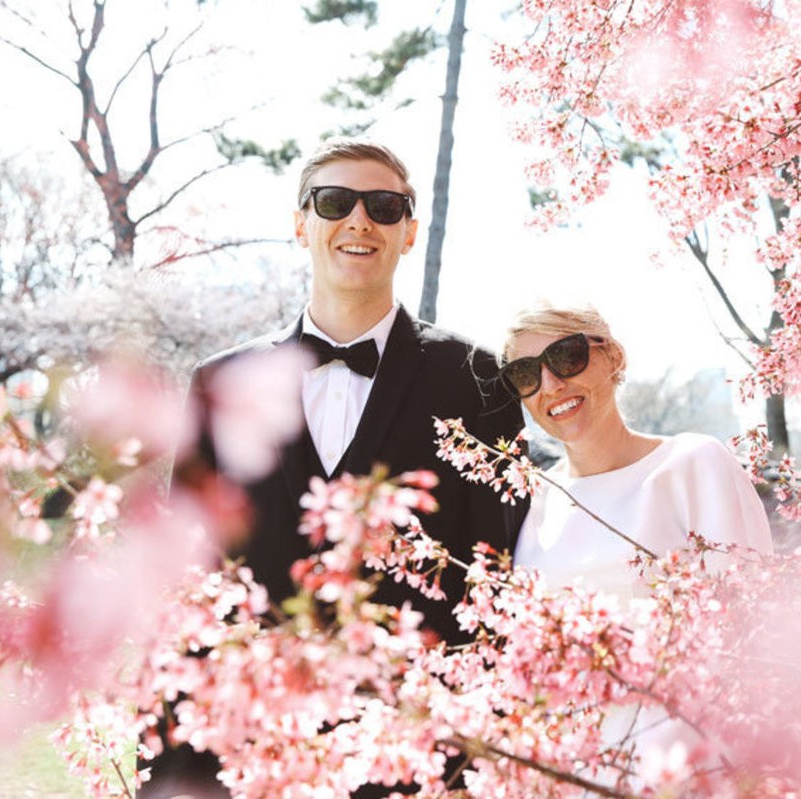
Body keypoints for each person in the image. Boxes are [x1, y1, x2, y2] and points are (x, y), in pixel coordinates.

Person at [141, 138, 526, 798]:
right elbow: (188, 584)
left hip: (416, 762)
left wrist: (476, 771)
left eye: (383, 207)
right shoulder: (220, 385)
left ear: (408, 233)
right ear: (301, 224)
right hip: (252, 758)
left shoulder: (477, 379)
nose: (359, 220)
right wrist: (168, 776)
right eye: (335, 202)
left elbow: (497, 575)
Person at [500, 301, 773, 792]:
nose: (551, 385)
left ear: (613, 357)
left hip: (687, 776)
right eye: (525, 374)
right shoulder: (534, 503)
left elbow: (754, 642)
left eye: (566, 357)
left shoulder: (693, 465)